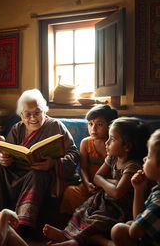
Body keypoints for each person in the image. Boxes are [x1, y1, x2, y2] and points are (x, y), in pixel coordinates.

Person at [0, 89, 80, 231]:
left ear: (44, 111)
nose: (33, 118)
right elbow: (1, 150)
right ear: (21, 115)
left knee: (36, 174)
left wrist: (53, 163)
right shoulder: (17, 128)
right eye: (28, 114)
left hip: (43, 173)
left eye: (37, 112)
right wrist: (2, 158)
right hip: (17, 171)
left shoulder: (55, 126)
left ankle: (21, 223)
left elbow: (74, 153)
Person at [43, 117, 150, 246]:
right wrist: (113, 182)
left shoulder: (132, 166)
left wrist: (106, 183)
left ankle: (74, 242)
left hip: (119, 207)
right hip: (103, 199)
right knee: (82, 212)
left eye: (112, 139)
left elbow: (117, 193)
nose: (107, 142)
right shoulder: (113, 158)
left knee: (98, 219)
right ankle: (67, 234)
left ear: (127, 146)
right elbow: (96, 177)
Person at [60, 105, 118, 214]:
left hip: (108, 186)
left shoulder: (115, 145)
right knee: (70, 192)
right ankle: (73, 221)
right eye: (90, 124)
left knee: (106, 202)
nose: (93, 128)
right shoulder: (86, 143)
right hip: (90, 184)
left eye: (99, 124)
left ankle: (90, 217)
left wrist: (105, 185)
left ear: (110, 126)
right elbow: (83, 168)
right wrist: (87, 184)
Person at [111, 129, 160, 246]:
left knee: (118, 230)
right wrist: (138, 189)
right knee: (128, 223)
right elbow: (138, 219)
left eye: (148, 156)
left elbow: (134, 232)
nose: (144, 159)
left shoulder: (159, 201)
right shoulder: (157, 189)